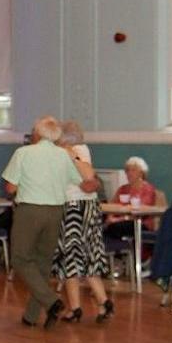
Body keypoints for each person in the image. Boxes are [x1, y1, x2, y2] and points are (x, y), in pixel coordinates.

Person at [2, 116, 91, 328]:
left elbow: (11, 188)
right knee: (42, 264)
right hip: (55, 212)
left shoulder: (23, 153)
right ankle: (32, 316)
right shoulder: (63, 155)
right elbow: (79, 181)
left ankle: (52, 301)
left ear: (37, 134)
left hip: (30, 211)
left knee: (20, 259)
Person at [51, 121, 112, 323]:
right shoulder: (82, 149)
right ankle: (103, 302)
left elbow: (87, 177)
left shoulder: (71, 152)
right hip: (90, 207)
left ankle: (76, 308)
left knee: (70, 258)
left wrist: (68, 154)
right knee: (89, 255)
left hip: (72, 208)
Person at [106, 156, 160, 233]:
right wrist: (110, 218)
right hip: (120, 222)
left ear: (141, 173)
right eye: (127, 170)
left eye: (133, 170)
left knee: (113, 228)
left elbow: (142, 211)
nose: (129, 173)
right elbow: (111, 206)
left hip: (139, 223)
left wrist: (118, 219)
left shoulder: (148, 189)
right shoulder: (122, 189)